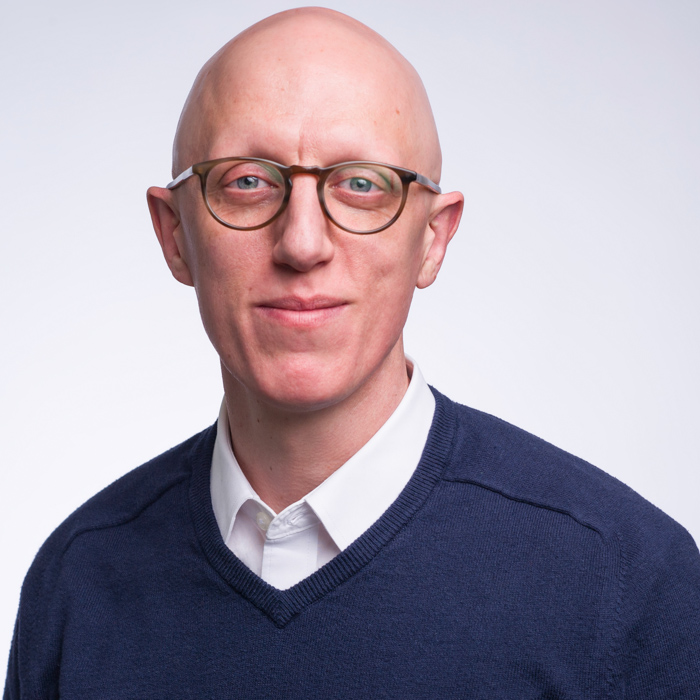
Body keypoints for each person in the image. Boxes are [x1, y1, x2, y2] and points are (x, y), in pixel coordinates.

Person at [4, 7, 700, 698]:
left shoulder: (625, 580)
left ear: (433, 239)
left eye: (362, 184)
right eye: (247, 181)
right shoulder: (78, 579)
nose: (302, 244)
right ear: (174, 234)